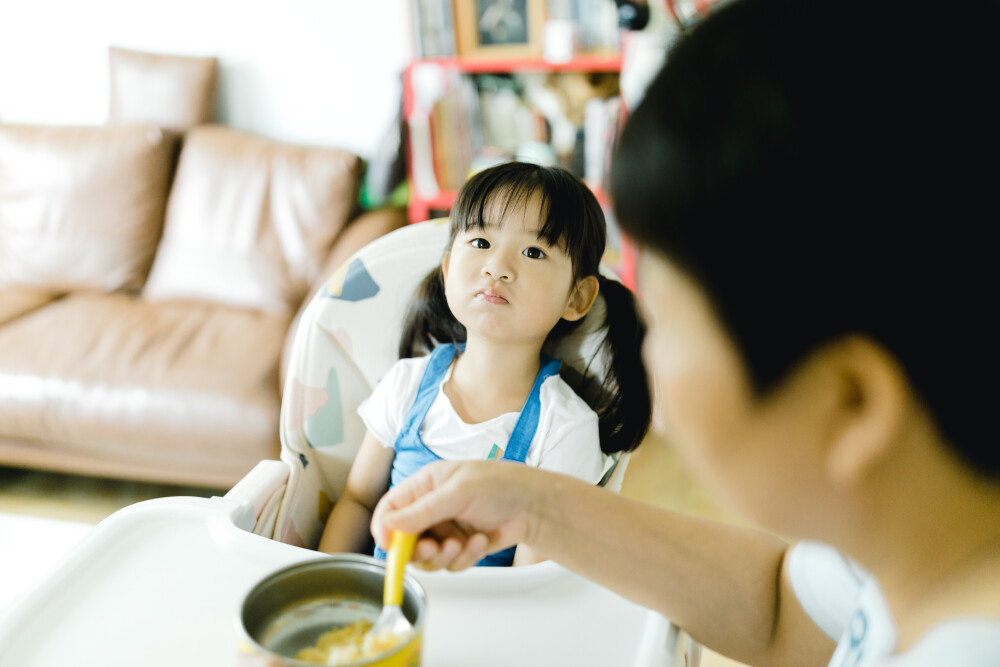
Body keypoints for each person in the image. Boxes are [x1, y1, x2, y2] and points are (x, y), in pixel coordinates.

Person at [369, 0, 1000, 664]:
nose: (653, 379)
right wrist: (530, 505)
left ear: (852, 402)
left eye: (665, 328)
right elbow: (781, 609)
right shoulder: (915, 528)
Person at [317, 161, 650, 566]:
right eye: (480, 243)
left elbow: (527, 584)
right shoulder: (406, 385)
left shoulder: (564, 431)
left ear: (577, 297)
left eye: (533, 251)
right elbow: (358, 501)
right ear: (447, 269)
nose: (496, 268)